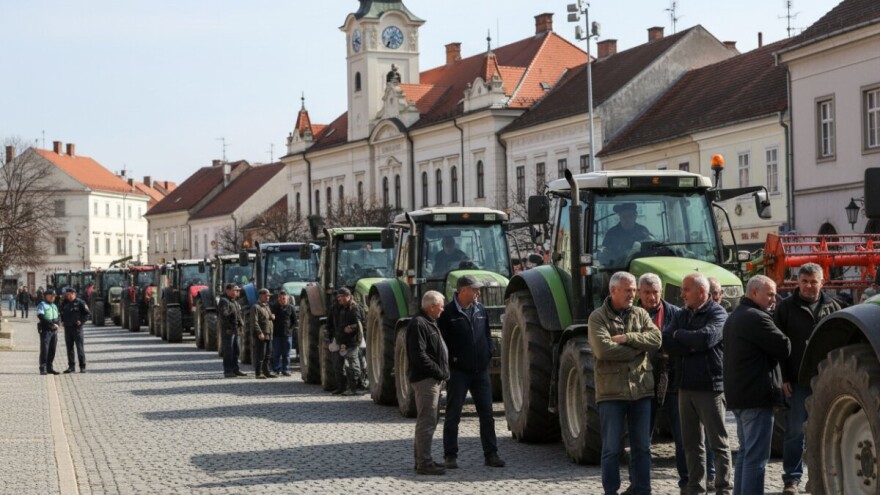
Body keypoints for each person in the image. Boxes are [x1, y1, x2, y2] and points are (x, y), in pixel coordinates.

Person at [635, 273, 713, 494]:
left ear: (661, 292)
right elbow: (663, 340)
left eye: (655, 292)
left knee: (684, 438)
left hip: (673, 380)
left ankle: (687, 482)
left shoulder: (676, 313)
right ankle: (640, 485)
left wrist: (671, 343)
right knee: (641, 440)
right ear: (639, 293)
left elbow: (673, 341)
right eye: (647, 293)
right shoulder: (631, 315)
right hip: (642, 382)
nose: (651, 297)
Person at [588, 271, 661, 495]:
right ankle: (611, 491)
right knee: (611, 449)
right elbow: (603, 350)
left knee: (642, 448)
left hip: (641, 391)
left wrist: (628, 338)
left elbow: (656, 339)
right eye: (628, 290)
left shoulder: (640, 313)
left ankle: (642, 489)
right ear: (613, 291)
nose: (633, 294)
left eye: (633, 290)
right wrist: (638, 349)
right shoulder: (597, 318)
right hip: (611, 393)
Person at [774, 263, 841, 494]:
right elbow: (778, 346)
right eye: (804, 281)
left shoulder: (833, 306)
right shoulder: (785, 308)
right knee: (794, 432)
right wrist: (782, 377)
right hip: (797, 380)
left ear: (822, 282)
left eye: (814, 281)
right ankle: (791, 479)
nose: (809, 286)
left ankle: (821, 477)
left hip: (827, 379)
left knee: (826, 429)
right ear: (797, 282)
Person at [664, 273, 732, 495]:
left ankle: (723, 488)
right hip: (685, 387)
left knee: (718, 442)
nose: (681, 294)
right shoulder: (682, 314)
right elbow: (667, 342)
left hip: (710, 387)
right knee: (691, 444)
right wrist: (688, 342)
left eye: (686, 289)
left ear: (701, 292)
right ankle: (695, 487)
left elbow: (706, 339)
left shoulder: (718, 313)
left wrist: (679, 335)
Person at [723, 275, 791, 495]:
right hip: (756, 396)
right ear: (753, 293)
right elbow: (784, 346)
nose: (774, 298)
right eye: (769, 294)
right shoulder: (756, 317)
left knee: (746, 454)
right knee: (756, 458)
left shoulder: (736, 315)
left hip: (740, 395)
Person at [439, 275, 505, 470]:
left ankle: (491, 454)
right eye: (475, 289)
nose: (478, 293)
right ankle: (450, 455)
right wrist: (452, 362)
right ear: (463, 290)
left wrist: (488, 354)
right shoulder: (448, 313)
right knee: (453, 415)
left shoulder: (481, 310)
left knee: (487, 414)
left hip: (480, 372)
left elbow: (486, 335)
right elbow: (442, 342)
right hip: (458, 372)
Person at [406, 290, 449, 476]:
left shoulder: (429, 322)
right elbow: (419, 355)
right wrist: (438, 372)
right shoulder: (419, 323)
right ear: (431, 306)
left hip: (432, 379)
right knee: (427, 421)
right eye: (441, 305)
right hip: (426, 380)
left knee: (428, 421)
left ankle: (422, 460)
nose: (443, 308)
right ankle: (424, 463)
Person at [327, 287, 364, 396]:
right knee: (338, 365)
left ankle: (355, 388)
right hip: (338, 340)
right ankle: (341, 387)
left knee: (353, 365)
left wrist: (351, 328)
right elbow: (329, 324)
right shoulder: (335, 308)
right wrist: (331, 338)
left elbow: (361, 324)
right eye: (339, 296)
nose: (340, 298)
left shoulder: (355, 308)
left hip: (351, 341)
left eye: (342, 296)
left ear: (348, 296)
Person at [219, 283, 247, 378]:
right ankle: (228, 371)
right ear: (228, 291)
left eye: (237, 290)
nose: (237, 292)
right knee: (228, 351)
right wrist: (232, 311)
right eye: (235, 290)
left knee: (236, 350)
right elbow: (224, 315)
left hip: (236, 330)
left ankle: (235, 369)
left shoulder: (234, 301)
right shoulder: (224, 301)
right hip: (229, 330)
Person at [60, 288, 90, 374]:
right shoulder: (64, 303)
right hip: (68, 329)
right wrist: (62, 320)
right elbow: (61, 313)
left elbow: (87, 314)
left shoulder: (80, 302)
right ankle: (71, 367)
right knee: (69, 349)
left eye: (70, 294)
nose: (68, 296)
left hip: (77, 329)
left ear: (74, 294)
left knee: (79, 348)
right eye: (67, 294)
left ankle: (82, 366)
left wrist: (81, 321)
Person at [252, 288, 277, 379]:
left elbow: (267, 317)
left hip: (269, 334)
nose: (268, 298)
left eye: (269, 296)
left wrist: (272, 316)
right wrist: (259, 332)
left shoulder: (266, 306)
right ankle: (258, 373)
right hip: (262, 334)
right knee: (260, 355)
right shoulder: (256, 307)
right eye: (266, 296)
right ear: (261, 296)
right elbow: (255, 322)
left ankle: (266, 371)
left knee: (268, 354)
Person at [270, 290, 296, 376]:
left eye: (284, 298)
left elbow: (294, 321)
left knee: (286, 353)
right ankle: (276, 369)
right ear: (278, 299)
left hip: (287, 334)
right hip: (276, 334)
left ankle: (286, 369)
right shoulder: (274, 307)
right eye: (281, 298)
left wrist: (290, 330)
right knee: (276, 353)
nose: (282, 300)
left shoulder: (291, 308)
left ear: (287, 298)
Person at [36, 288, 61, 375]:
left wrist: (58, 323)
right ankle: (43, 368)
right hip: (46, 329)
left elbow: (58, 316)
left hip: (54, 330)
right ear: (45, 296)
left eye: (53, 296)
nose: (52, 298)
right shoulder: (42, 305)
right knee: (45, 349)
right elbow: (41, 317)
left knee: (52, 350)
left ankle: (50, 367)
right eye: (50, 296)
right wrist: (51, 324)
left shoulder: (54, 306)